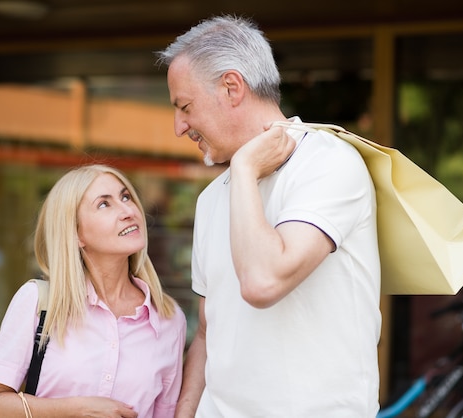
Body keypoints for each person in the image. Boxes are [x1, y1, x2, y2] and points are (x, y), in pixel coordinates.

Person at [156, 15, 381, 417]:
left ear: (231, 87)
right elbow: (208, 331)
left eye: (185, 107)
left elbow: (262, 282)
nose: (179, 126)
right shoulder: (211, 198)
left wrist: (244, 170)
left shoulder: (329, 164)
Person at [0, 164, 187, 418]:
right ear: (75, 234)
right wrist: (77, 409)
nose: (128, 211)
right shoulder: (39, 302)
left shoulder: (169, 320)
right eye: (104, 204)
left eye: (126, 197)